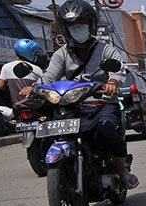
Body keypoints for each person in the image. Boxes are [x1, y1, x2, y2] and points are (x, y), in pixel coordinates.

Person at [19, 0, 137, 189]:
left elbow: (118, 69)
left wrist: (113, 82)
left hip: (101, 103)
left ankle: (123, 171)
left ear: (90, 25)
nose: (77, 30)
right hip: (72, 105)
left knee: (107, 132)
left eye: (81, 25)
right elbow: (50, 76)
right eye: (73, 27)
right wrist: (33, 87)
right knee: (49, 134)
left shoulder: (105, 48)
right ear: (66, 29)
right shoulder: (61, 54)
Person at [0, 39, 45, 106]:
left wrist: (12, 91)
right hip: (35, 105)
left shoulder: (6, 66)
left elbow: (1, 85)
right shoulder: (36, 69)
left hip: (17, 106)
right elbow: (43, 85)